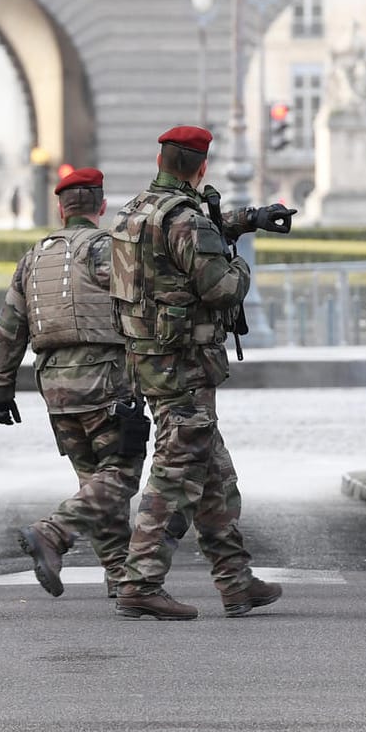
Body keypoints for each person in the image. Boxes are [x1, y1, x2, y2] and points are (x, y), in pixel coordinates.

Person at [107, 125, 296, 620]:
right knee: (176, 475)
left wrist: (246, 220)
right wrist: (242, 269)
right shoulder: (186, 219)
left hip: (148, 360)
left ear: (162, 161)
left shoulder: (134, 212)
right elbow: (220, 287)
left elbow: (177, 247)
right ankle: (140, 582)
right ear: (201, 166)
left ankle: (236, 582)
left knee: (215, 477)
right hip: (185, 367)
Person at [0, 167, 150, 601]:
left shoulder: (34, 257)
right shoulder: (109, 250)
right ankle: (53, 532)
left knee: (94, 482)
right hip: (106, 383)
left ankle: (120, 575)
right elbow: (141, 311)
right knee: (120, 474)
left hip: (55, 389)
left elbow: (9, 328)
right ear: (101, 206)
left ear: (62, 208)